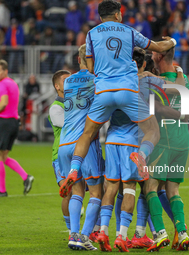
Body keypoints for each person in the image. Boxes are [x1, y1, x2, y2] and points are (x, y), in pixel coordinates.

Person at [60, 0, 176, 202]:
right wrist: (172, 41)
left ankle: (73, 169)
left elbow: (91, 68)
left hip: (103, 91)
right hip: (126, 91)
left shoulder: (91, 34)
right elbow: (158, 46)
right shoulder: (129, 31)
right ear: (116, 15)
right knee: (152, 130)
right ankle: (141, 155)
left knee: (87, 134)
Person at [144, 47, 189, 251]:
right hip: (183, 141)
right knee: (173, 190)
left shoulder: (153, 80)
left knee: (150, 188)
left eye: (155, 52)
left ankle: (160, 233)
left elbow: (158, 108)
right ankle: (182, 233)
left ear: (159, 56)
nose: (152, 53)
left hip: (162, 139)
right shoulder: (184, 79)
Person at [58, 45, 103, 251]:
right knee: (96, 192)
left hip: (64, 144)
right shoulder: (96, 81)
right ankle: (85, 236)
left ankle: (73, 235)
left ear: (78, 59)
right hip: (83, 144)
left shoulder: (67, 81)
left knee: (77, 190)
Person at [0, 60, 34, 197]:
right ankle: (26, 177)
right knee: (3, 156)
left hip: (4, 122)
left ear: (5, 71)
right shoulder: (13, 83)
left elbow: (4, 102)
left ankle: (2, 191)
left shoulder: (2, 84)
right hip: (14, 122)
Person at [48, 69, 73, 239]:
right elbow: (70, 125)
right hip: (61, 156)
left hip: (80, 153)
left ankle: (93, 229)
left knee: (96, 189)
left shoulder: (76, 102)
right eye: (66, 80)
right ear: (57, 86)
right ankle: (72, 230)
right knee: (68, 192)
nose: (70, 82)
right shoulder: (56, 108)